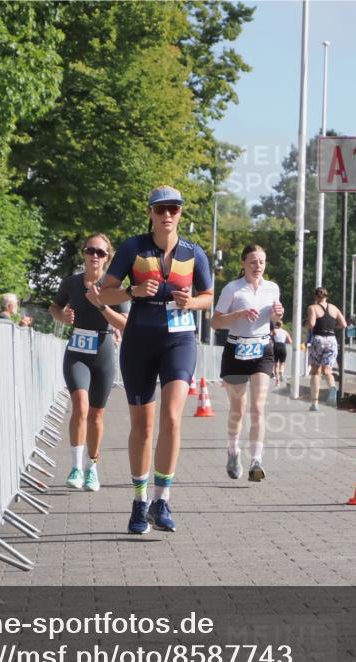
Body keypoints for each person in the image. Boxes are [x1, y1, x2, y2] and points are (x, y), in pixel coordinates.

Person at [96, 186, 214, 534]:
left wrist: (191, 302)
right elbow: (104, 294)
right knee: (143, 427)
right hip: (139, 340)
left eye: (173, 209)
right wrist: (131, 291)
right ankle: (139, 501)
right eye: (160, 209)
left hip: (179, 339)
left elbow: (209, 296)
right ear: (149, 212)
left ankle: (162, 500)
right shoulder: (133, 247)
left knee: (173, 417)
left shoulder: (194, 253)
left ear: (180, 213)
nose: (167, 215)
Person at [49, 234, 129, 492]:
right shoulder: (71, 283)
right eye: (90, 250)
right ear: (83, 253)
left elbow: (125, 323)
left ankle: (91, 467)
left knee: (96, 414)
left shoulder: (115, 287)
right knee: (80, 407)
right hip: (77, 352)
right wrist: (62, 316)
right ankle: (75, 467)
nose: (95, 256)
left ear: (108, 257)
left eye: (100, 252)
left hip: (103, 352)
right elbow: (54, 308)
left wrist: (104, 308)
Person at [212, 245, 284, 482]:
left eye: (261, 261)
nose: (258, 266)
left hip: (262, 350)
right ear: (243, 264)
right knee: (238, 409)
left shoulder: (272, 288)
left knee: (258, 408)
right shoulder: (232, 289)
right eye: (253, 261)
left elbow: (275, 320)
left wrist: (278, 314)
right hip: (236, 350)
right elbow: (215, 322)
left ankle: (256, 460)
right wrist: (238, 314)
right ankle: (233, 451)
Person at [306, 287, 347, 411]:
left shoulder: (312, 308)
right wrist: (333, 326)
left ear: (315, 296)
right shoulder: (334, 308)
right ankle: (332, 387)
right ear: (327, 296)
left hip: (318, 339)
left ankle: (315, 403)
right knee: (327, 371)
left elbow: (312, 324)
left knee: (315, 371)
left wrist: (306, 324)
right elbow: (344, 324)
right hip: (331, 340)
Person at [272, 321, 291, 386]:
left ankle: (277, 381)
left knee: (276, 365)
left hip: (276, 346)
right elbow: (290, 341)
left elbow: (269, 338)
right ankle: (281, 372)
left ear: (275, 325)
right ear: (282, 325)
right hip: (283, 346)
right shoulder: (285, 332)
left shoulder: (274, 331)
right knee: (282, 363)